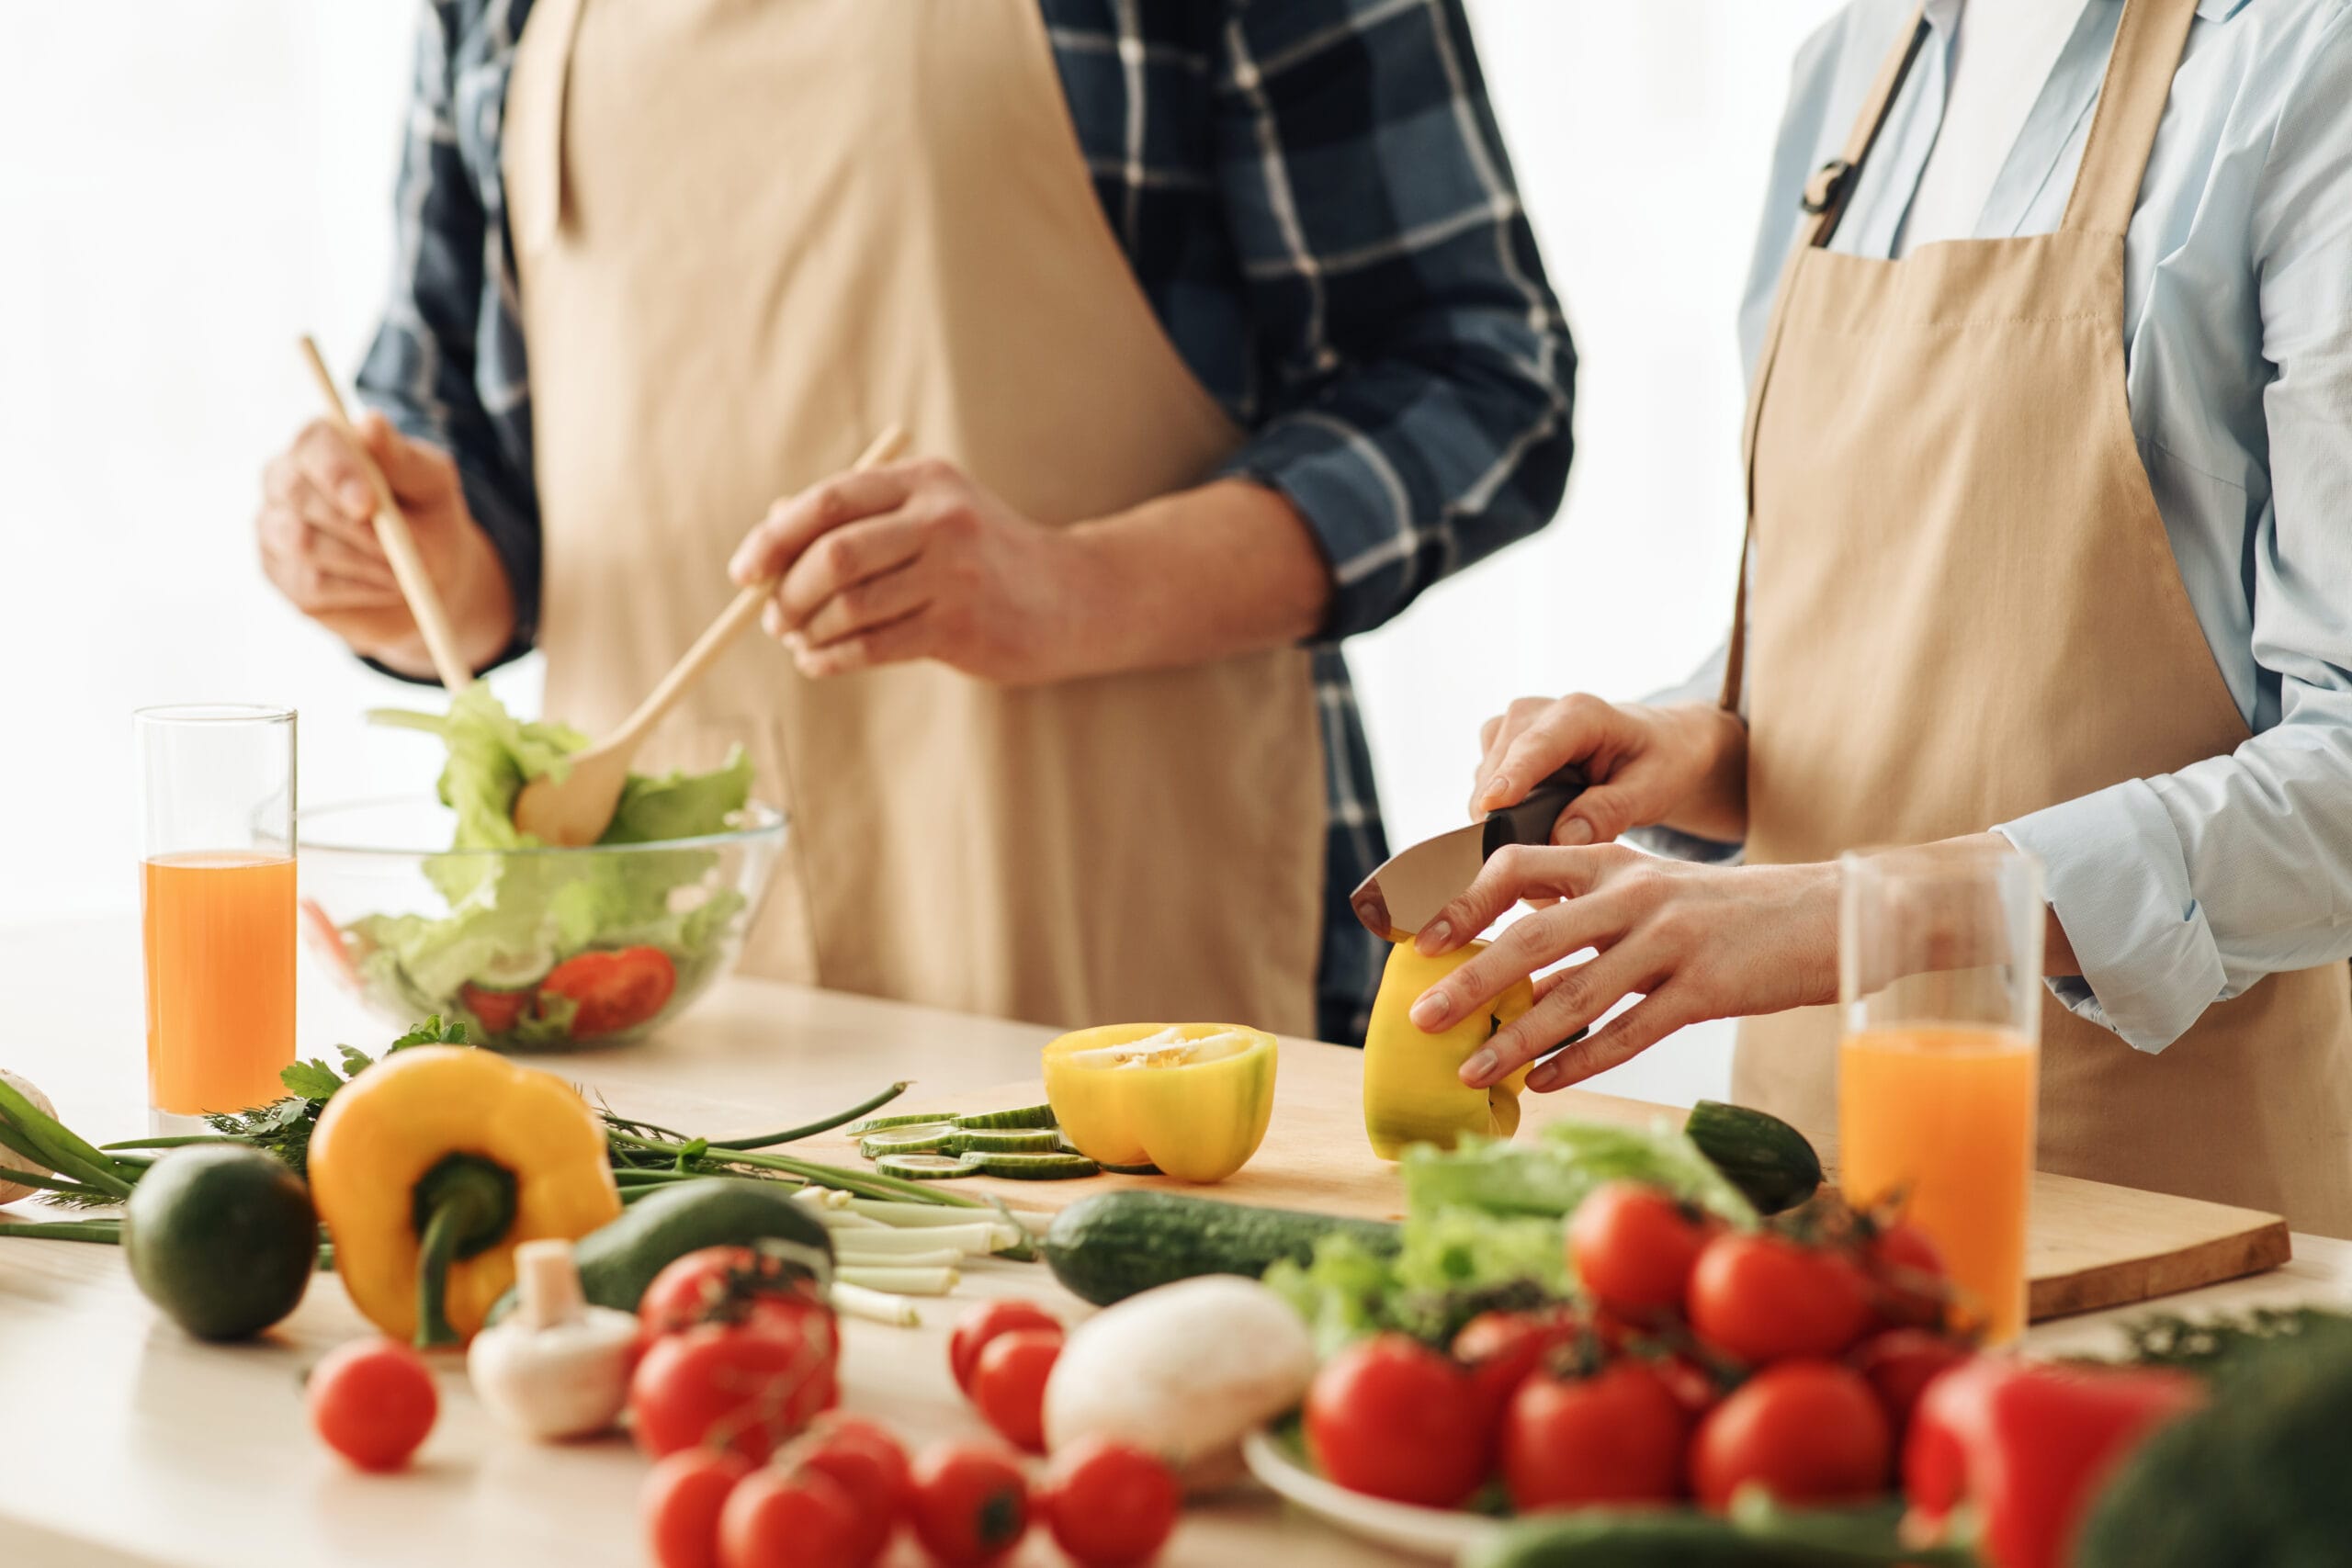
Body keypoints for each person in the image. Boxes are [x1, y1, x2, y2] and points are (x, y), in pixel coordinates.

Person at [255, 1, 1573, 1045]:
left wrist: (1078, 586)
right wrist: (405, 563)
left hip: (1121, 953)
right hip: (659, 1003)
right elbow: (466, 490)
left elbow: (1484, 375)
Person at [1406, 0, 2352, 1234]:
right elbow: (1922, 649)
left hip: (2157, 1206)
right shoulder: (1854, 68)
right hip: (1798, 1195)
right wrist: (1703, 744)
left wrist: (1852, 914)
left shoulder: (2299, 61)